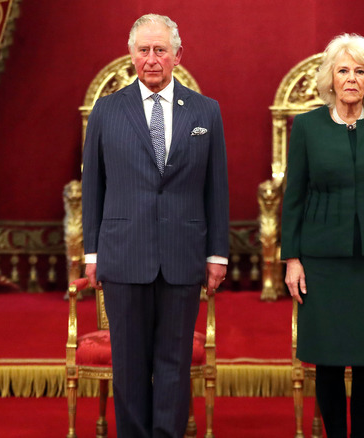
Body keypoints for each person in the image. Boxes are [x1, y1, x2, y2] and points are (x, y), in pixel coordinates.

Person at [81, 14, 229, 438]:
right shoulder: (107, 111)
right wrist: (92, 253)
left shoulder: (206, 112)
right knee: (128, 363)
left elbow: (216, 188)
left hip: (183, 256)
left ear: (177, 56)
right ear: (131, 55)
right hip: (123, 254)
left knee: (174, 363)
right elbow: (93, 186)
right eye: (143, 50)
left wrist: (216, 253)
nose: (151, 59)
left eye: (160, 50)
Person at [281, 33, 364, 438]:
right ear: (330, 78)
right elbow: (294, 197)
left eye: (360, 71)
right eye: (343, 70)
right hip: (322, 261)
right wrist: (292, 258)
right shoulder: (306, 126)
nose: (352, 79)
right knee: (328, 359)